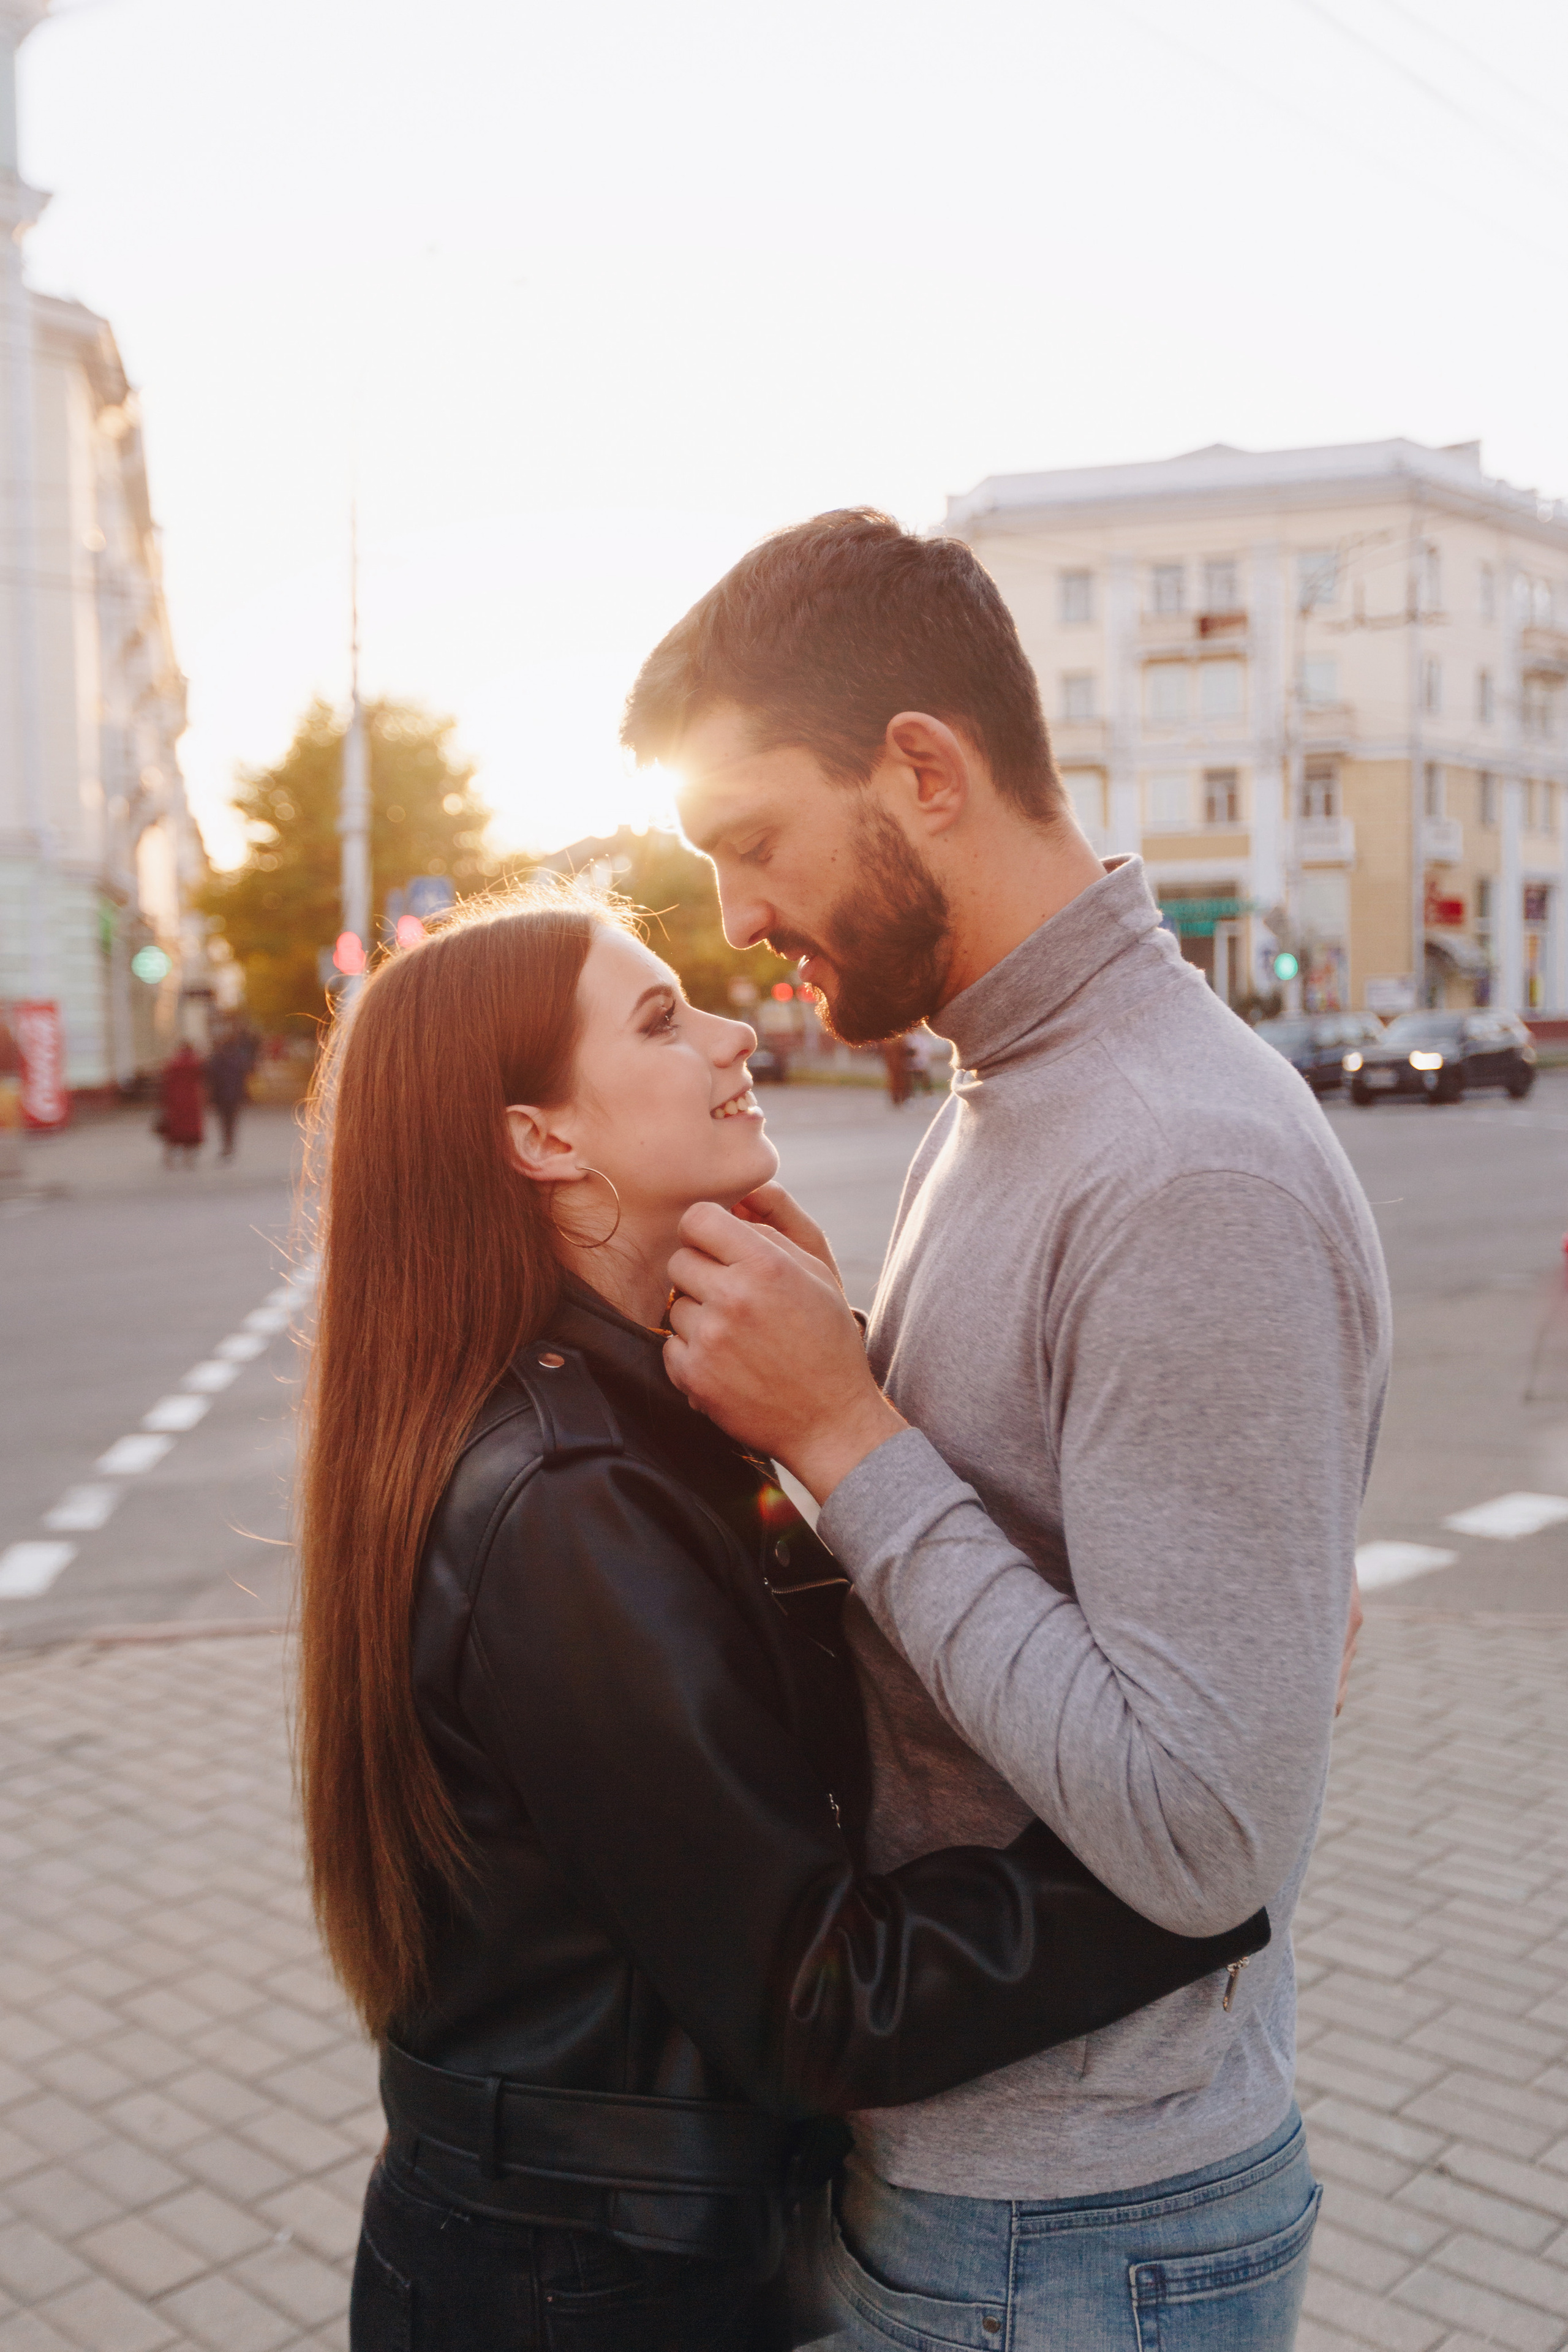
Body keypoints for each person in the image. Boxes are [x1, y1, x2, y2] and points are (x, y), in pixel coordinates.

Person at [296, 884, 1265, 2352]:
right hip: (583, 2289)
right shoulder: (569, 1501)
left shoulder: (637, 1407)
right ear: (541, 1136)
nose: (730, 1028)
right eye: (656, 1017)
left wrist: (837, 1378)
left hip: (608, 2249)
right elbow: (822, 2001)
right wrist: (1199, 1832)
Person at [619, 509, 1390, 2349]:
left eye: (750, 841)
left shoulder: (1177, 1161)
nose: (733, 918)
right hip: (1006, 2202)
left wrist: (847, 1423)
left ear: (921, 770)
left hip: (1082, 2233)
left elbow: (1203, 1833)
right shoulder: (1012, 1084)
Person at [206, 1022, 258, 1160]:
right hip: (234, 1095)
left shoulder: (218, 1058)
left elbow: (211, 1077)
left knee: (224, 1122)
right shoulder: (238, 1058)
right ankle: (230, 1145)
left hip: (222, 1096)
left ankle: (227, 1145)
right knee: (232, 1122)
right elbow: (246, 1075)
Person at [156, 1039, 205, 1167]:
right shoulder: (195, 1063)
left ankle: (168, 1158)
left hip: (175, 1102)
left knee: (174, 1132)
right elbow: (201, 1080)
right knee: (189, 1132)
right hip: (191, 1102)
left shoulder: (173, 1064)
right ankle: (188, 1159)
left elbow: (166, 1084)